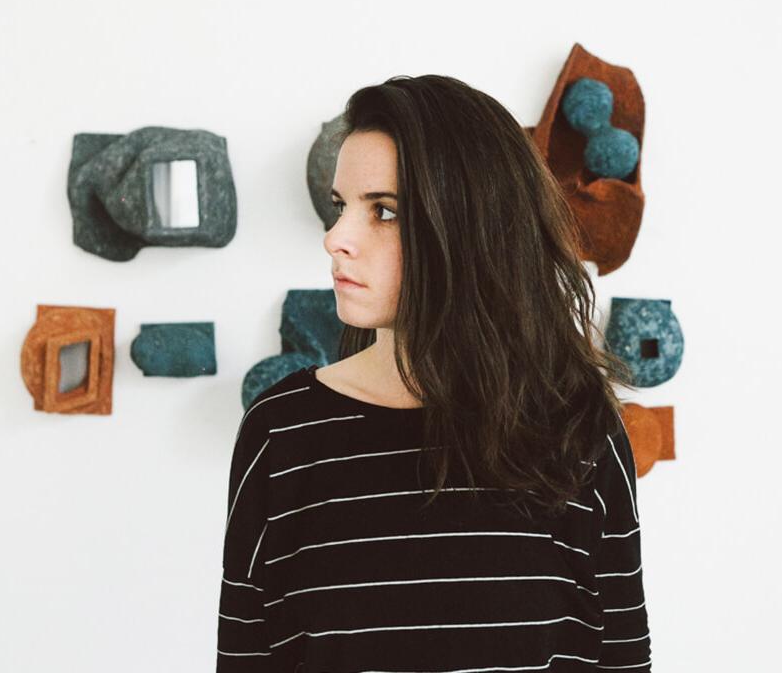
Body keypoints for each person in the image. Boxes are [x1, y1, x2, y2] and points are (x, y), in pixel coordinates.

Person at [217, 75, 651, 671]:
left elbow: (623, 659)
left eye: (385, 211)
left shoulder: (579, 428)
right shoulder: (282, 432)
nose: (335, 238)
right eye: (341, 206)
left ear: (472, 226)